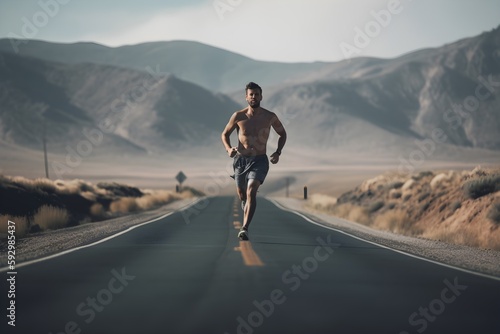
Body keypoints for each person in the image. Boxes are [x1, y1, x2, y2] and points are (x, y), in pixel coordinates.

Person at [221, 82, 287, 240]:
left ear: (261, 96)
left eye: (257, 94)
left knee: (252, 190)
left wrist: (278, 152)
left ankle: (245, 228)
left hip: (260, 160)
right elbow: (224, 134)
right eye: (251, 94)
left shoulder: (269, 116)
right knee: (242, 193)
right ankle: (245, 202)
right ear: (246, 97)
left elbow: (282, 134)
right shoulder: (238, 116)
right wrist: (229, 149)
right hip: (241, 161)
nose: (254, 97)